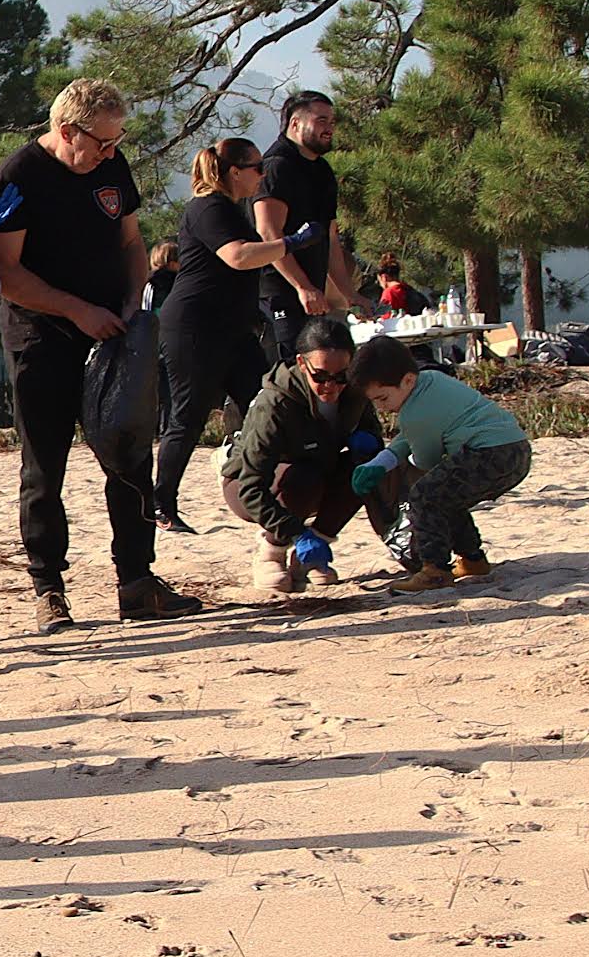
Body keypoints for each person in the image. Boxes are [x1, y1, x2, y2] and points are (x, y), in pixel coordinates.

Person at [0, 78, 203, 630]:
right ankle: (48, 587)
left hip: (113, 331)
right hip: (42, 336)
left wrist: (133, 297)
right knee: (44, 464)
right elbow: (7, 273)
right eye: (102, 143)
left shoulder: (110, 165)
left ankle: (136, 579)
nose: (111, 152)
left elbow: (131, 240)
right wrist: (75, 310)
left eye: (116, 141)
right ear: (66, 130)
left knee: (130, 455)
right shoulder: (18, 176)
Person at [152, 138, 297, 535]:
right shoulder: (208, 206)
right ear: (235, 171)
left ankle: (256, 484)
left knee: (265, 403)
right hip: (195, 327)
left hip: (233, 328)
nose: (262, 175)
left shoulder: (232, 209)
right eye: (256, 168)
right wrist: (290, 243)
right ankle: (161, 503)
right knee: (188, 416)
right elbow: (236, 256)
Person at [222, 318, 398, 596]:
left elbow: (370, 434)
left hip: (319, 469)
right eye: (321, 377)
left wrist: (368, 443)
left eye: (342, 376)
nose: (332, 385)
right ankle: (271, 553)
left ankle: (311, 553)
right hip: (256, 484)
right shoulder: (275, 404)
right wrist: (295, 533)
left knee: (364, 468)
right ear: (302, 365)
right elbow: (250, 486)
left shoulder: (354, 391)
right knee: (303, 476)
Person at [349, 335, 533, 593]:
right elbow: (414, 433)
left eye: (382, 398)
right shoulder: (432, 381)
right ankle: (472, 560)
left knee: (425, 495)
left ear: (407, 381)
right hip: (515, 449)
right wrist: (383, 461)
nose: (381, 407)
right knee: (446, 495)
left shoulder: (415, 412)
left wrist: (396, 469)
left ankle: (434, 570)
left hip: (488, 453)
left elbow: (425, 460)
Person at [255, 91, 353, 360]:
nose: (329, 129)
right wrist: (302, 287)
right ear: (295, 124)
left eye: (332, 122)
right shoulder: (276, 166)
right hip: (275, 295)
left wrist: (348, 293)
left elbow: (330, 237)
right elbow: (268, 233)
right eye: (322, 120)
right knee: (287, 371)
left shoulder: (323, 172)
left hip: (313, 299)